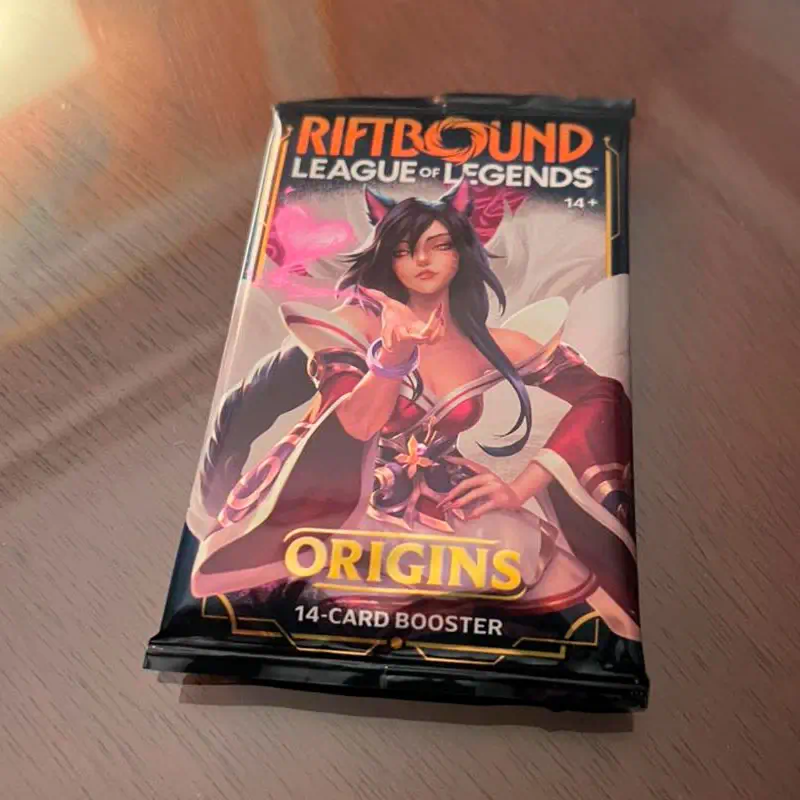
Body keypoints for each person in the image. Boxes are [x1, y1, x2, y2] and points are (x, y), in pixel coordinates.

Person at [191, 180, 641, 641]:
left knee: (597, 613)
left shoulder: (495, 345)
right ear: (389, 260)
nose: (422, 260)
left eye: (439, 245)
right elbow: (356, 423)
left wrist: (521, 487)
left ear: (460, 253)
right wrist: (393, 356)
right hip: (350, 505)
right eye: (405, 250)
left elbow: (602, 396)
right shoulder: (356, 326)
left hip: (453, 504)